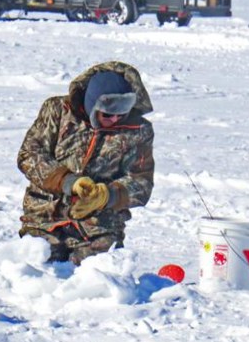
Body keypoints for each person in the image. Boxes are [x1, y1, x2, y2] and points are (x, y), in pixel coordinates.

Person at [17, 61, 155, 264]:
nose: (115, 119)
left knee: (96, 277)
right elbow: (29, 154)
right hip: (44, 217)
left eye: (121, 113)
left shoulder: (138, 130)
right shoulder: (57, 111)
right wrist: (67, 181)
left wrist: (107, 195)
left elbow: (141, 182)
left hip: (99, 226)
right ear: (92, 104)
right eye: (108, 114)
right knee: (38, 268)